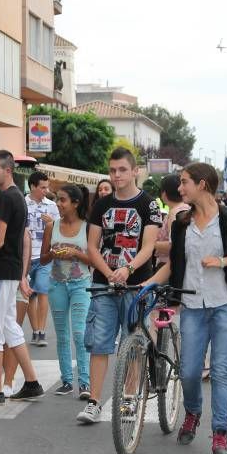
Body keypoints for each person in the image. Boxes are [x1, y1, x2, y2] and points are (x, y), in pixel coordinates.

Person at [145, 162, 227, 454]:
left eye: (185, 182)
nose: (180, 187)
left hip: (226, 306)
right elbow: (175, 264)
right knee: (188, 371)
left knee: (222, 373)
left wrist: (223, 261)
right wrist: (146, 284)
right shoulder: (182, 223)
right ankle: (193, 413)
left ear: (203, 185)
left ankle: (220, 435)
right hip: (193, 307)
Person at [76, 147, 162, 424]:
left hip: (136, 284)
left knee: (133, 343)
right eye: (112, 170)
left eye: (122, 170)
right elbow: (91, 245)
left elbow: (149, 246)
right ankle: (93, 402)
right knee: (99, 344)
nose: (116, 175)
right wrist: (109, 272)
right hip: (104, 285)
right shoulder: (100, 205)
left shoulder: (148, 205)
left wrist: (128, 268)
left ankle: (128, 400)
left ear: (135, 171)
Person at [0, 150, 45, 407]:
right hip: (9, 271)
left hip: (0, 271)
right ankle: (32, 382)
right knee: (9, 326)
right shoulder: (17, 197)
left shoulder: (6, 198)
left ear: (8, 170)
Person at [39, 184, 92, 398]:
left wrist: (75, 253)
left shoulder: (88, 227)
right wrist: (54, 253)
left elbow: (95, 261)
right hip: (57, 284)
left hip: (81, 285)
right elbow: (43, 258)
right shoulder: (52, 226)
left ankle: (85, 383)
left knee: (79, 334)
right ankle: (67, 381)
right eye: (58, 200)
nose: (58, 204)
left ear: (76, 203)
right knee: (61, 335)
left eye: (62, 200)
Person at [22, 171, 60, 347]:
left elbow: (59, 230)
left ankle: (42, 331)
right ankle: (35, 330)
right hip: (26, 256)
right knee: (30, 294)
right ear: (32, 186)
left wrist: (51, 223)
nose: (46, 190)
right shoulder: (22, 203)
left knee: (43, 291)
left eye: (47, 187)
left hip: (45, 255)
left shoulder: (52, 206)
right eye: (42, 187)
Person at [154, 174, 190, 268]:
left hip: (168, 266)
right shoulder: (185, 208)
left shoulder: (175, 213)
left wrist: (151, 244)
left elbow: (174, 245)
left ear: (164, 194)